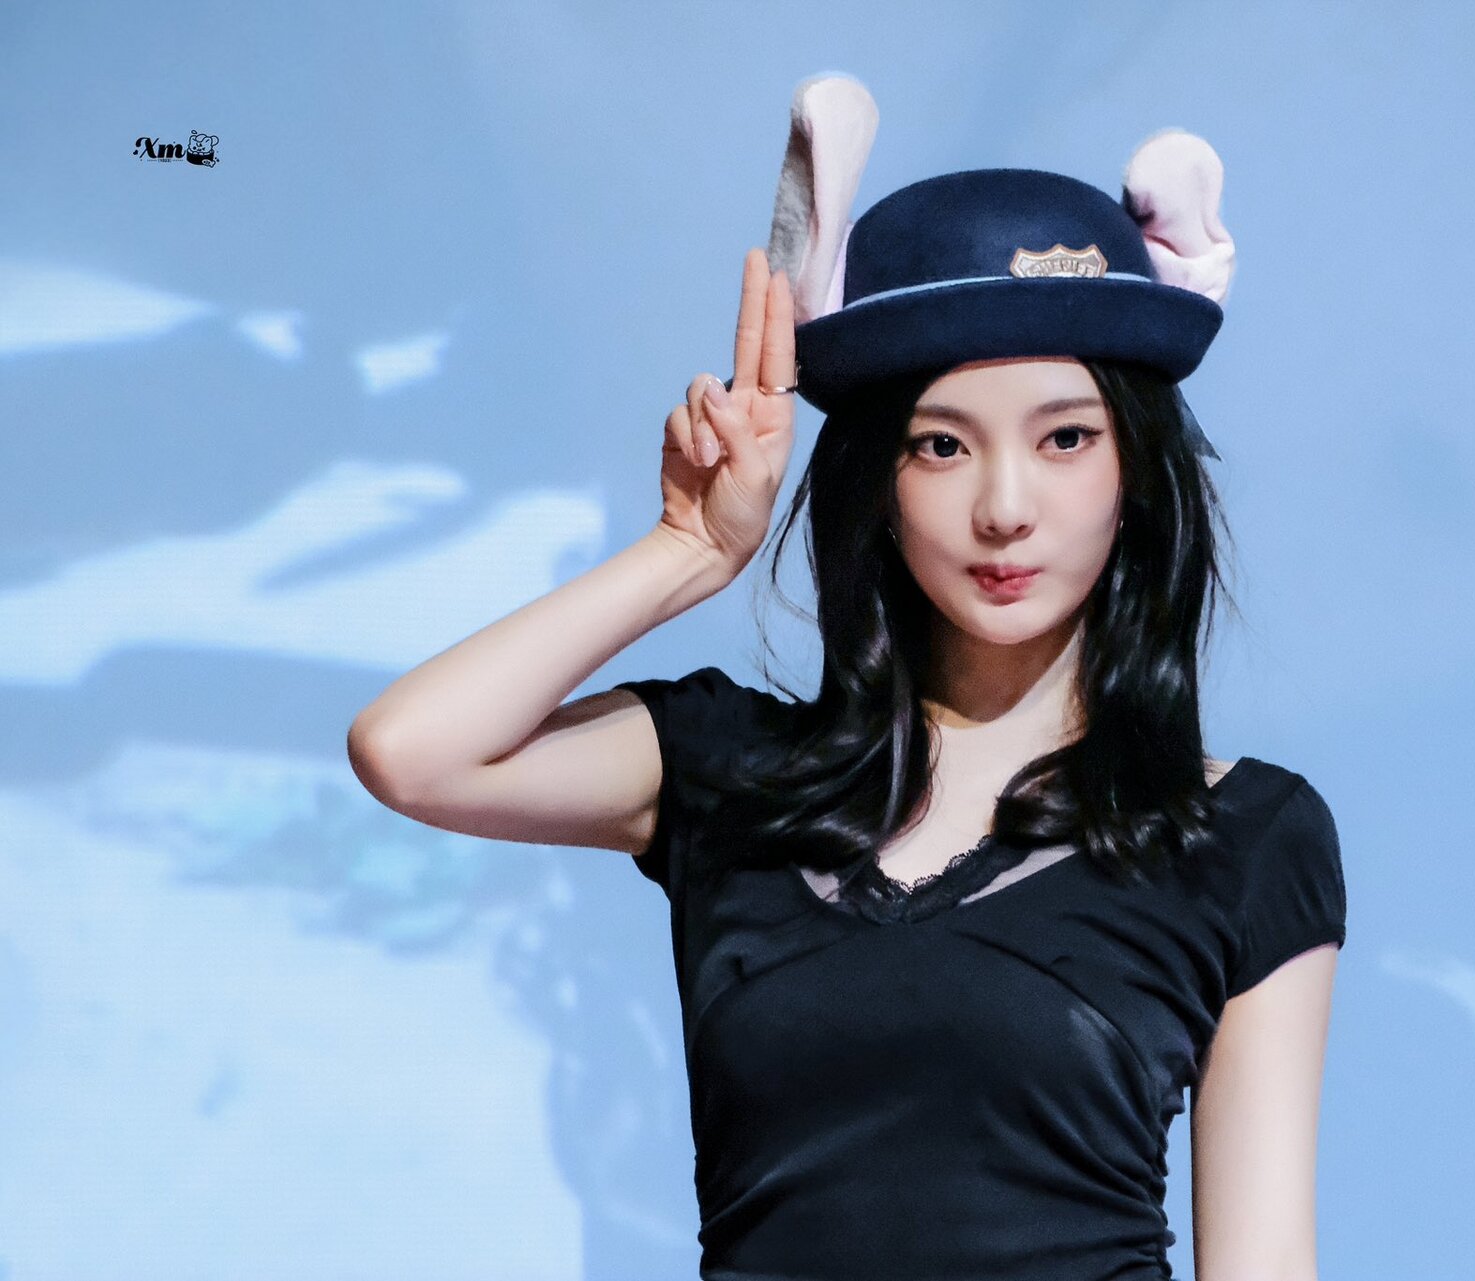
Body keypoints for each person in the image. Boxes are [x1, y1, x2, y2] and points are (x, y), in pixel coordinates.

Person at [349, 73, 1345, 1281]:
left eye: (1065, 438)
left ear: (1134, 473)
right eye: (942, 444)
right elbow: (411, 751)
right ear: (878, 480)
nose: (1005, 507)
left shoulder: (1241, 835)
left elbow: (1263, 1264)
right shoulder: (730, 770)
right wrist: (690, 552)